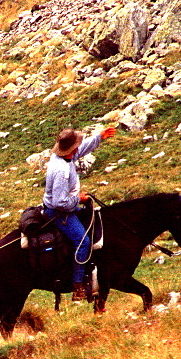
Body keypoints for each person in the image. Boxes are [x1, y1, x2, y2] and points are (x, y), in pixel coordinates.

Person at [42, 125, 116, 301]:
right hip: (60, 212)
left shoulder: (63, 157)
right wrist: (79, 200)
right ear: (70, 149)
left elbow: (81, 149)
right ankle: (77, 286)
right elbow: (60, 202)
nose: (78, 147)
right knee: (83, 242)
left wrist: (99, 137)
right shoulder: (61, 170)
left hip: (67, 207)